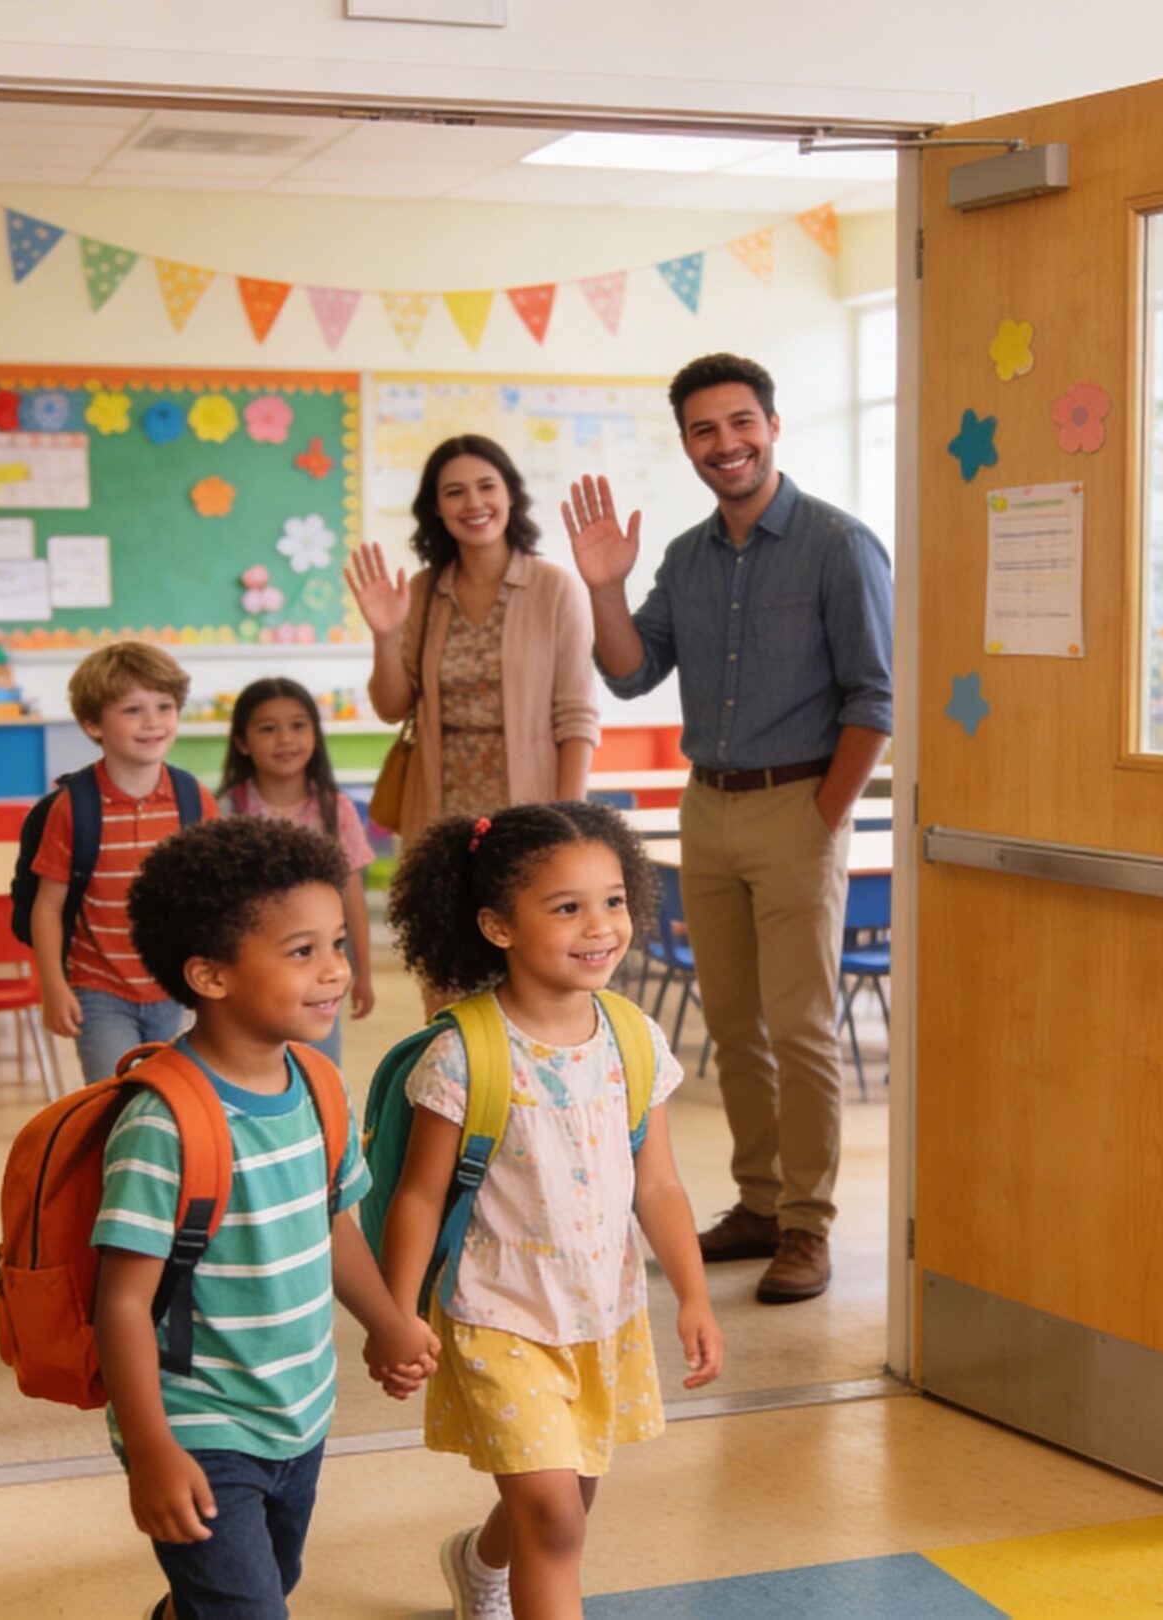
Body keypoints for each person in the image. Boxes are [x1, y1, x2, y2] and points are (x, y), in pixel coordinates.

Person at [563, 352, 894, 1305]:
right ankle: (757, 1204)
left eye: (740, 423)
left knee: (800, 1030)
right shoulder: (683, 557)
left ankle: (808, 1225)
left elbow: (874, 700)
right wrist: (602, 587)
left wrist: (823, 817)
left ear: (773, 426)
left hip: (800, 804)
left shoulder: (839, 545)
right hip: (704, 805)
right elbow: (629, 674)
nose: (726, 444)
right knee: (733, 1025)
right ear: (687, 445)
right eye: (705, 431)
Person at [377, 801, 724, 1620]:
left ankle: (476, 1561)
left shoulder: (633, 1037)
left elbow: (660, 1187)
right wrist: (395, 1315)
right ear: (498, 925)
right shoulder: (464, 1053)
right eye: (567, 907)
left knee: (565, 1504)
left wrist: (697, 1297)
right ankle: (500, 1567)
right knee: (556, 1517)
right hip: (499, 1316)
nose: (600, 925)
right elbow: (419, 1195)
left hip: (602, 1313)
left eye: (613, 900)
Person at [99, 816, 441, 1620]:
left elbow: (331, 1226)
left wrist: (388, 1321)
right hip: (199, 1421)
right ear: (211, 977)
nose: (333, 972)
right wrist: (151, 1449)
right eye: (301, 952)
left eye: (337, 946)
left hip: (300, 1408)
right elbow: (119, 1303)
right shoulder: (165, 1123)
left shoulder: (317, 1086)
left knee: (260, 1589)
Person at [346, 434, 600, 837]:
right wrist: (385, 636)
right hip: (437, 813)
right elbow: (392, 708)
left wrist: (567, 820)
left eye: (487, 487)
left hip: (532, 811)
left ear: (511, 495)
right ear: (436, 507)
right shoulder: (423, 590)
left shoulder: (554, 588)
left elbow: (576, 717)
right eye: (454, 492)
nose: (474, 504)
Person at [32, 641, 217, 1084]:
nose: (153, 721)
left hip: (181, 991)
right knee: (115, 1101)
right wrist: (54, 987)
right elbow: (47, 908)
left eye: (165, 706)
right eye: (132, 709)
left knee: (177, 1103)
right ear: (92, 723)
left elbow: (217, 900)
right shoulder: (73, 808)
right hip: (99, 991)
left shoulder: (194, 800)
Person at [219, 676, 379, 1061]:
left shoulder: (334, 808)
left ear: (315, 734)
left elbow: (351, 895)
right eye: (268, 729)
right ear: (242, 741)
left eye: (298, 725)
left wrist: (364, 974)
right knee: (255, 1063)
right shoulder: (229, 809)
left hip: (318, 969)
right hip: (254, 970)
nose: (285, 739)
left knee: (318, 1069)